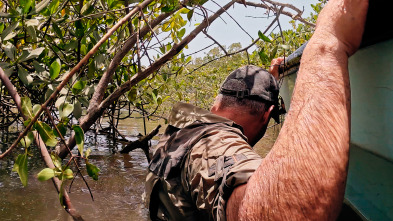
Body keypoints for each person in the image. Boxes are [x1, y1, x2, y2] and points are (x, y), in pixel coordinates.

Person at [145, 0, 369, 220]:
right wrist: (327, 44)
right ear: (266, 114)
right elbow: (286, 212)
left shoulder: (185, 130)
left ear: (217, 102)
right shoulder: (215, 144)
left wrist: (272, 80)